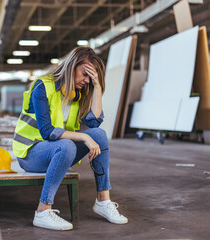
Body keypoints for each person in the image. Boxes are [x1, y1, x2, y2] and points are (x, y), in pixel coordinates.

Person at [12, 47, 128, 231]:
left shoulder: (77, 93)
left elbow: (94, 121)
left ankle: (103, 201)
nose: (86, 80)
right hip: (30, 153)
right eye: (85, 74)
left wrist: (97, 86)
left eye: (91, 77)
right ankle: (43, 211)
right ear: (72, 66)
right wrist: (82, 137)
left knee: (98, 135)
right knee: (66, 145)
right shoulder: (43, 86)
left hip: (56, 150)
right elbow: (47, 132)